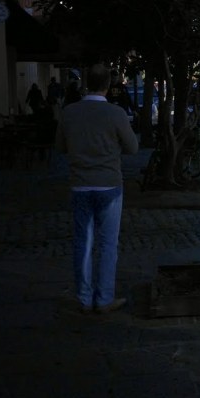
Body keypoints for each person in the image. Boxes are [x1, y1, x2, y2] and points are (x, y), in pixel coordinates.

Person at [55, 63, 139, 314]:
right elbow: (133, 147)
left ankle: (83, 297)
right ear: (108, 85)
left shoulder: (69, 112)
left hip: (80, 184)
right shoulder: (116, 114)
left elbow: (60, 147)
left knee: (83, 242)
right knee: (108, 244)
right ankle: (104, 298)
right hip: (109, 183)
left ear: (86, 83)